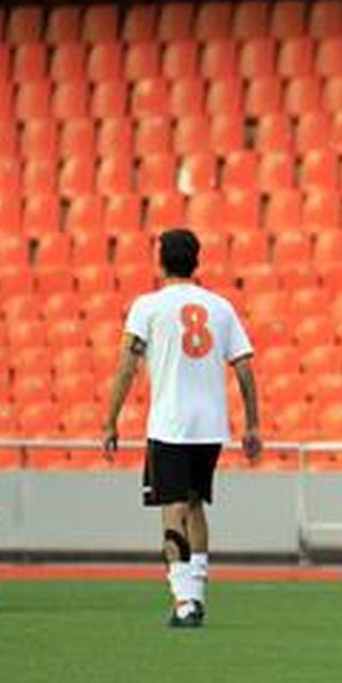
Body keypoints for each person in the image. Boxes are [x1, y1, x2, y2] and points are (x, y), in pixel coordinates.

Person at [102, 229, 263, 629]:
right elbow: (244, 367)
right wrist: (253, 423)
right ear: (197, 261)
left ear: (160, 261)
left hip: (170, 424)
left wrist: (110, 419)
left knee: (172, 508)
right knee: (194, 505)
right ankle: (197, 594)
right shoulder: (221, 307)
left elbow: (127, 366)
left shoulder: (148, 306)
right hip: (210, 427)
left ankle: (185, 602)